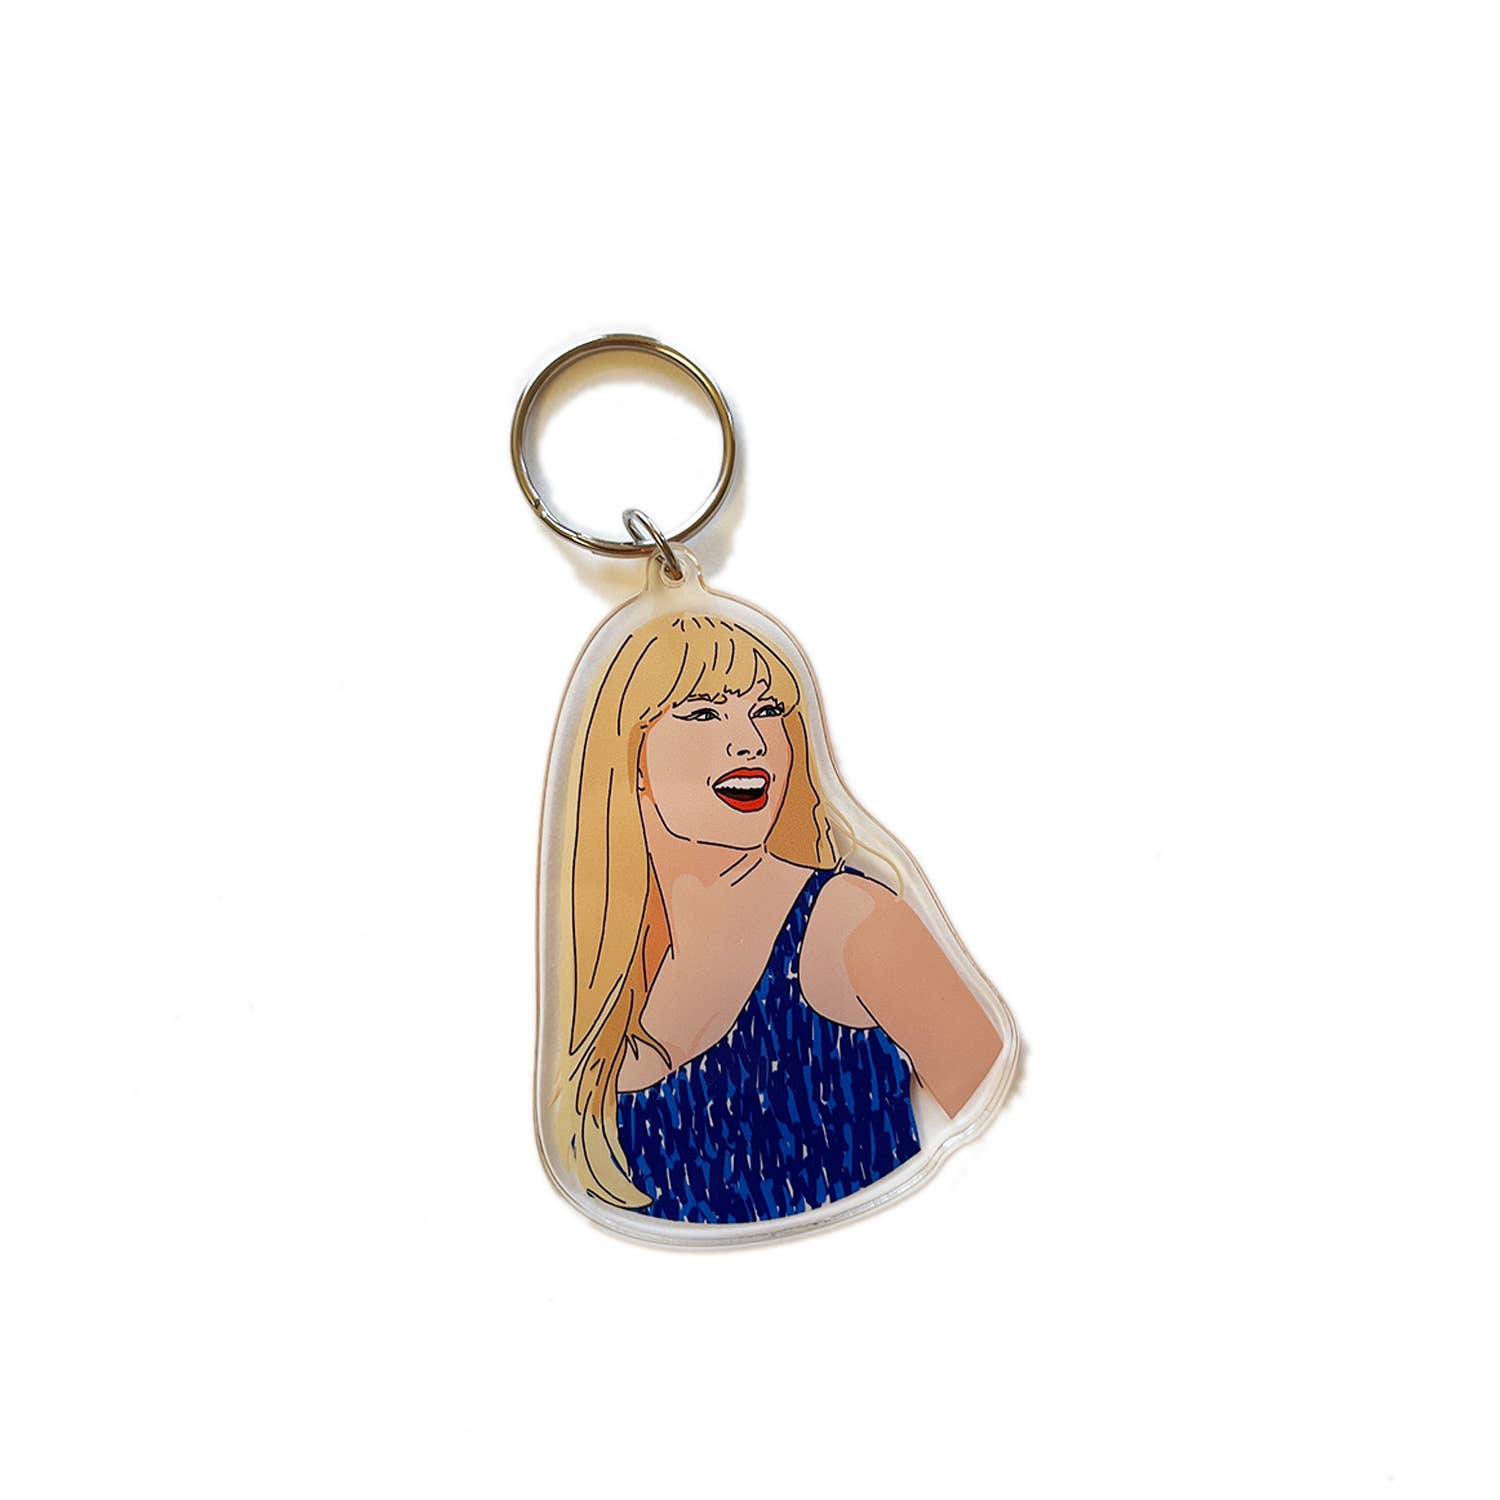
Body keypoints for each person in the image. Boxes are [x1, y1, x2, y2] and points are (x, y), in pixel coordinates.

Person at [551, 611, 1004, 1224]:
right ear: (629, 757)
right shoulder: (600, 971)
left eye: (767, 711)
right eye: (704, 713)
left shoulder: (852, 922)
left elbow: (1010, 1130)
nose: (752, 743)